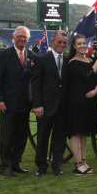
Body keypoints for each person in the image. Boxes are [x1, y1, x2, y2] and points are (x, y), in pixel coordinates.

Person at [0, 26, 34, 177]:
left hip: (25, 104)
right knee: (7, 136)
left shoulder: (31, 55)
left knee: (21, 136)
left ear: (28, 39)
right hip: (8, 104)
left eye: (25, 37)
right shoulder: (4, 55)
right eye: (20, 36)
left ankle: (16, 163)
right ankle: (4, 166)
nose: (22, 39)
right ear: (13, 37)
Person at [66, 34, 97, 175]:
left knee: (84, 133)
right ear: (74, 46)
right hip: (76, 102)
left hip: (89, 101)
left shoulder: (88, 59)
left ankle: (84, 161)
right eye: (79, 44)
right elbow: (88, 75)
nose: (83, 46)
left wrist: (96, 89)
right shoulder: (72, 63)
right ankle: (78, 164)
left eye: (84, 43)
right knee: (76, 133)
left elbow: (96, 78)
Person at [31, 30, 69, 176]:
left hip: (62, 107)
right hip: (45, 107)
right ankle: (41, 167)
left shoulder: (67, 61)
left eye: (64, 43)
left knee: (60, 139)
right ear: (53, 42)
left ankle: (57, 166)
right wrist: (37, 105)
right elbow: (36, 85)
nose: (62, 45)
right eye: (59, 42)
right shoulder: (42, 59)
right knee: (42, 138)